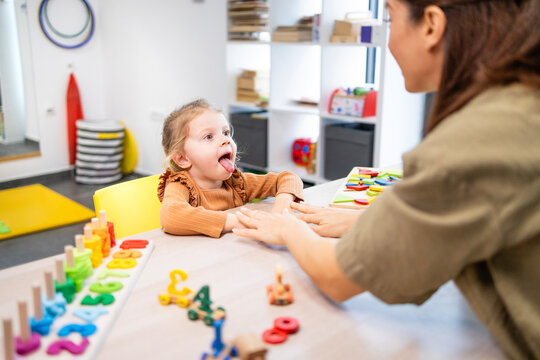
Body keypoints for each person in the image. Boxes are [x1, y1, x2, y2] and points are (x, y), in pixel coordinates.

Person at [233, 0, 540, 359]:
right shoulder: (519, 105)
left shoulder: (482, 136)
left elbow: (337, 276)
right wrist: (367, 221)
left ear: (430, 25)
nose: (388, 41)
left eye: (390, 17)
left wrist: (287, 229)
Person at [158, 99, 304, 238]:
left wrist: (281, 210)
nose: (225, 140)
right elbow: (170, 216)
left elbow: (289, 178)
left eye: (226, 132)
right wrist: (238, 222)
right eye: (208, 137)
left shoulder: (237, 183)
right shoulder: (181, 186)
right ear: (183, 159)